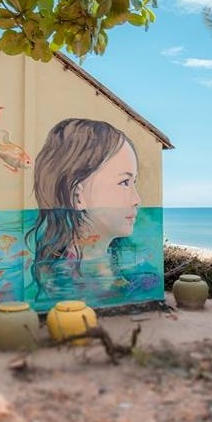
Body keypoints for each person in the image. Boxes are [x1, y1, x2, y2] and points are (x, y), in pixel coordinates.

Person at [26, 118, 141, 302]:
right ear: (77, 196)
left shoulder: (103, 264)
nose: (137, 200)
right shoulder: (67, 278)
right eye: (124, 182)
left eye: (134, 182)